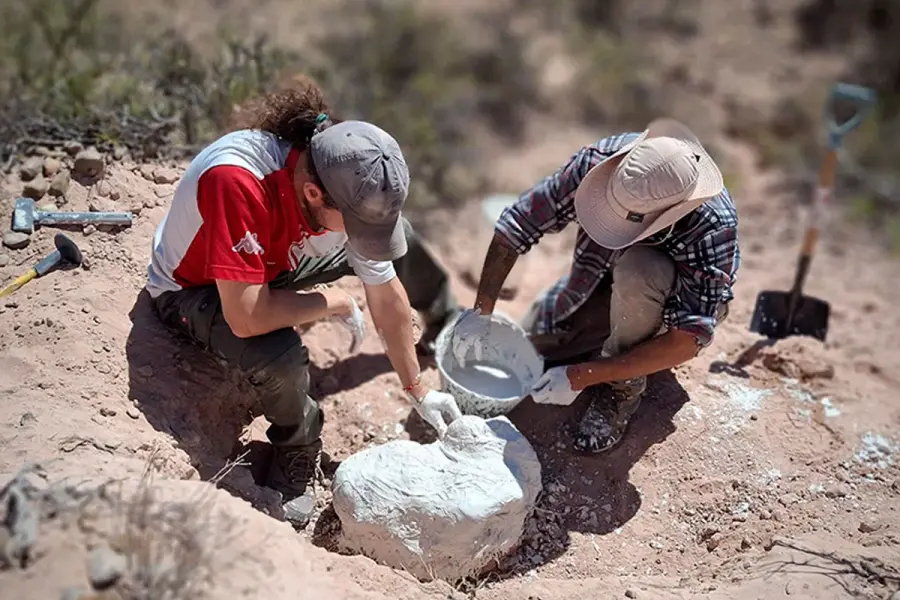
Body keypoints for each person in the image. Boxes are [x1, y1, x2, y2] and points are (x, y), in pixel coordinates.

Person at [144, 77, 463, 529]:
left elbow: (385, 292)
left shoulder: (334, 173)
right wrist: (327, 301)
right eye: (352, 224)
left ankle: (444, 317)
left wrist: (417, 389)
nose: (357, 235)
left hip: (270, 263)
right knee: (281, 356)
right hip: (194, 287)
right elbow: (248, 316)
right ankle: (296, 455)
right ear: (314, 194)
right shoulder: (237, 181)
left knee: (400, 241)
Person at [454, 117, 740, 454]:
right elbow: (518, 223)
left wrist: (582, 376)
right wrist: (480, 314)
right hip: (596, 273)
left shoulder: (712, 224)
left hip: (667, 302)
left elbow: (687, 339)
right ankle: (595, 331)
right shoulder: (600, 162)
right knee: (534, 347)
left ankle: (620, 390)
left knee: (639, 270)